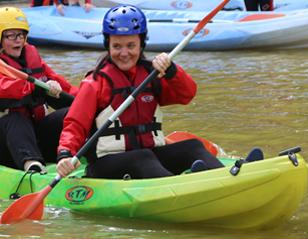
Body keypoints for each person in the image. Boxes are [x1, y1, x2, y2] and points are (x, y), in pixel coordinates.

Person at [56, 4, 226, 179]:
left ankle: (227, 177)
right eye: (117, 46)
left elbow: (187, 95)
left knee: (192, 146)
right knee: (143, 157)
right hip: (106, 164)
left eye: (131, 45)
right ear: (108, 45)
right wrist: (65, 154)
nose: (124, 53)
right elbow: (75, 124)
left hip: (149, 156)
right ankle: (176, 186)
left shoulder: (152, 75)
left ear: (141, 44)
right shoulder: (95, 82)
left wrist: (172, 71)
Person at [0, 7, 78, 173]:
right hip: (6, 144)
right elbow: (5, 88)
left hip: (33, 137)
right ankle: (32, 166)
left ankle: (74, 156)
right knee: (16, 119)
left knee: (72, 113)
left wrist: (89, 98)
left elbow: (65, 87)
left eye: (21, 34)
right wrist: (34, 88)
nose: (18, 40)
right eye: (11, 35)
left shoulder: (33, 59)